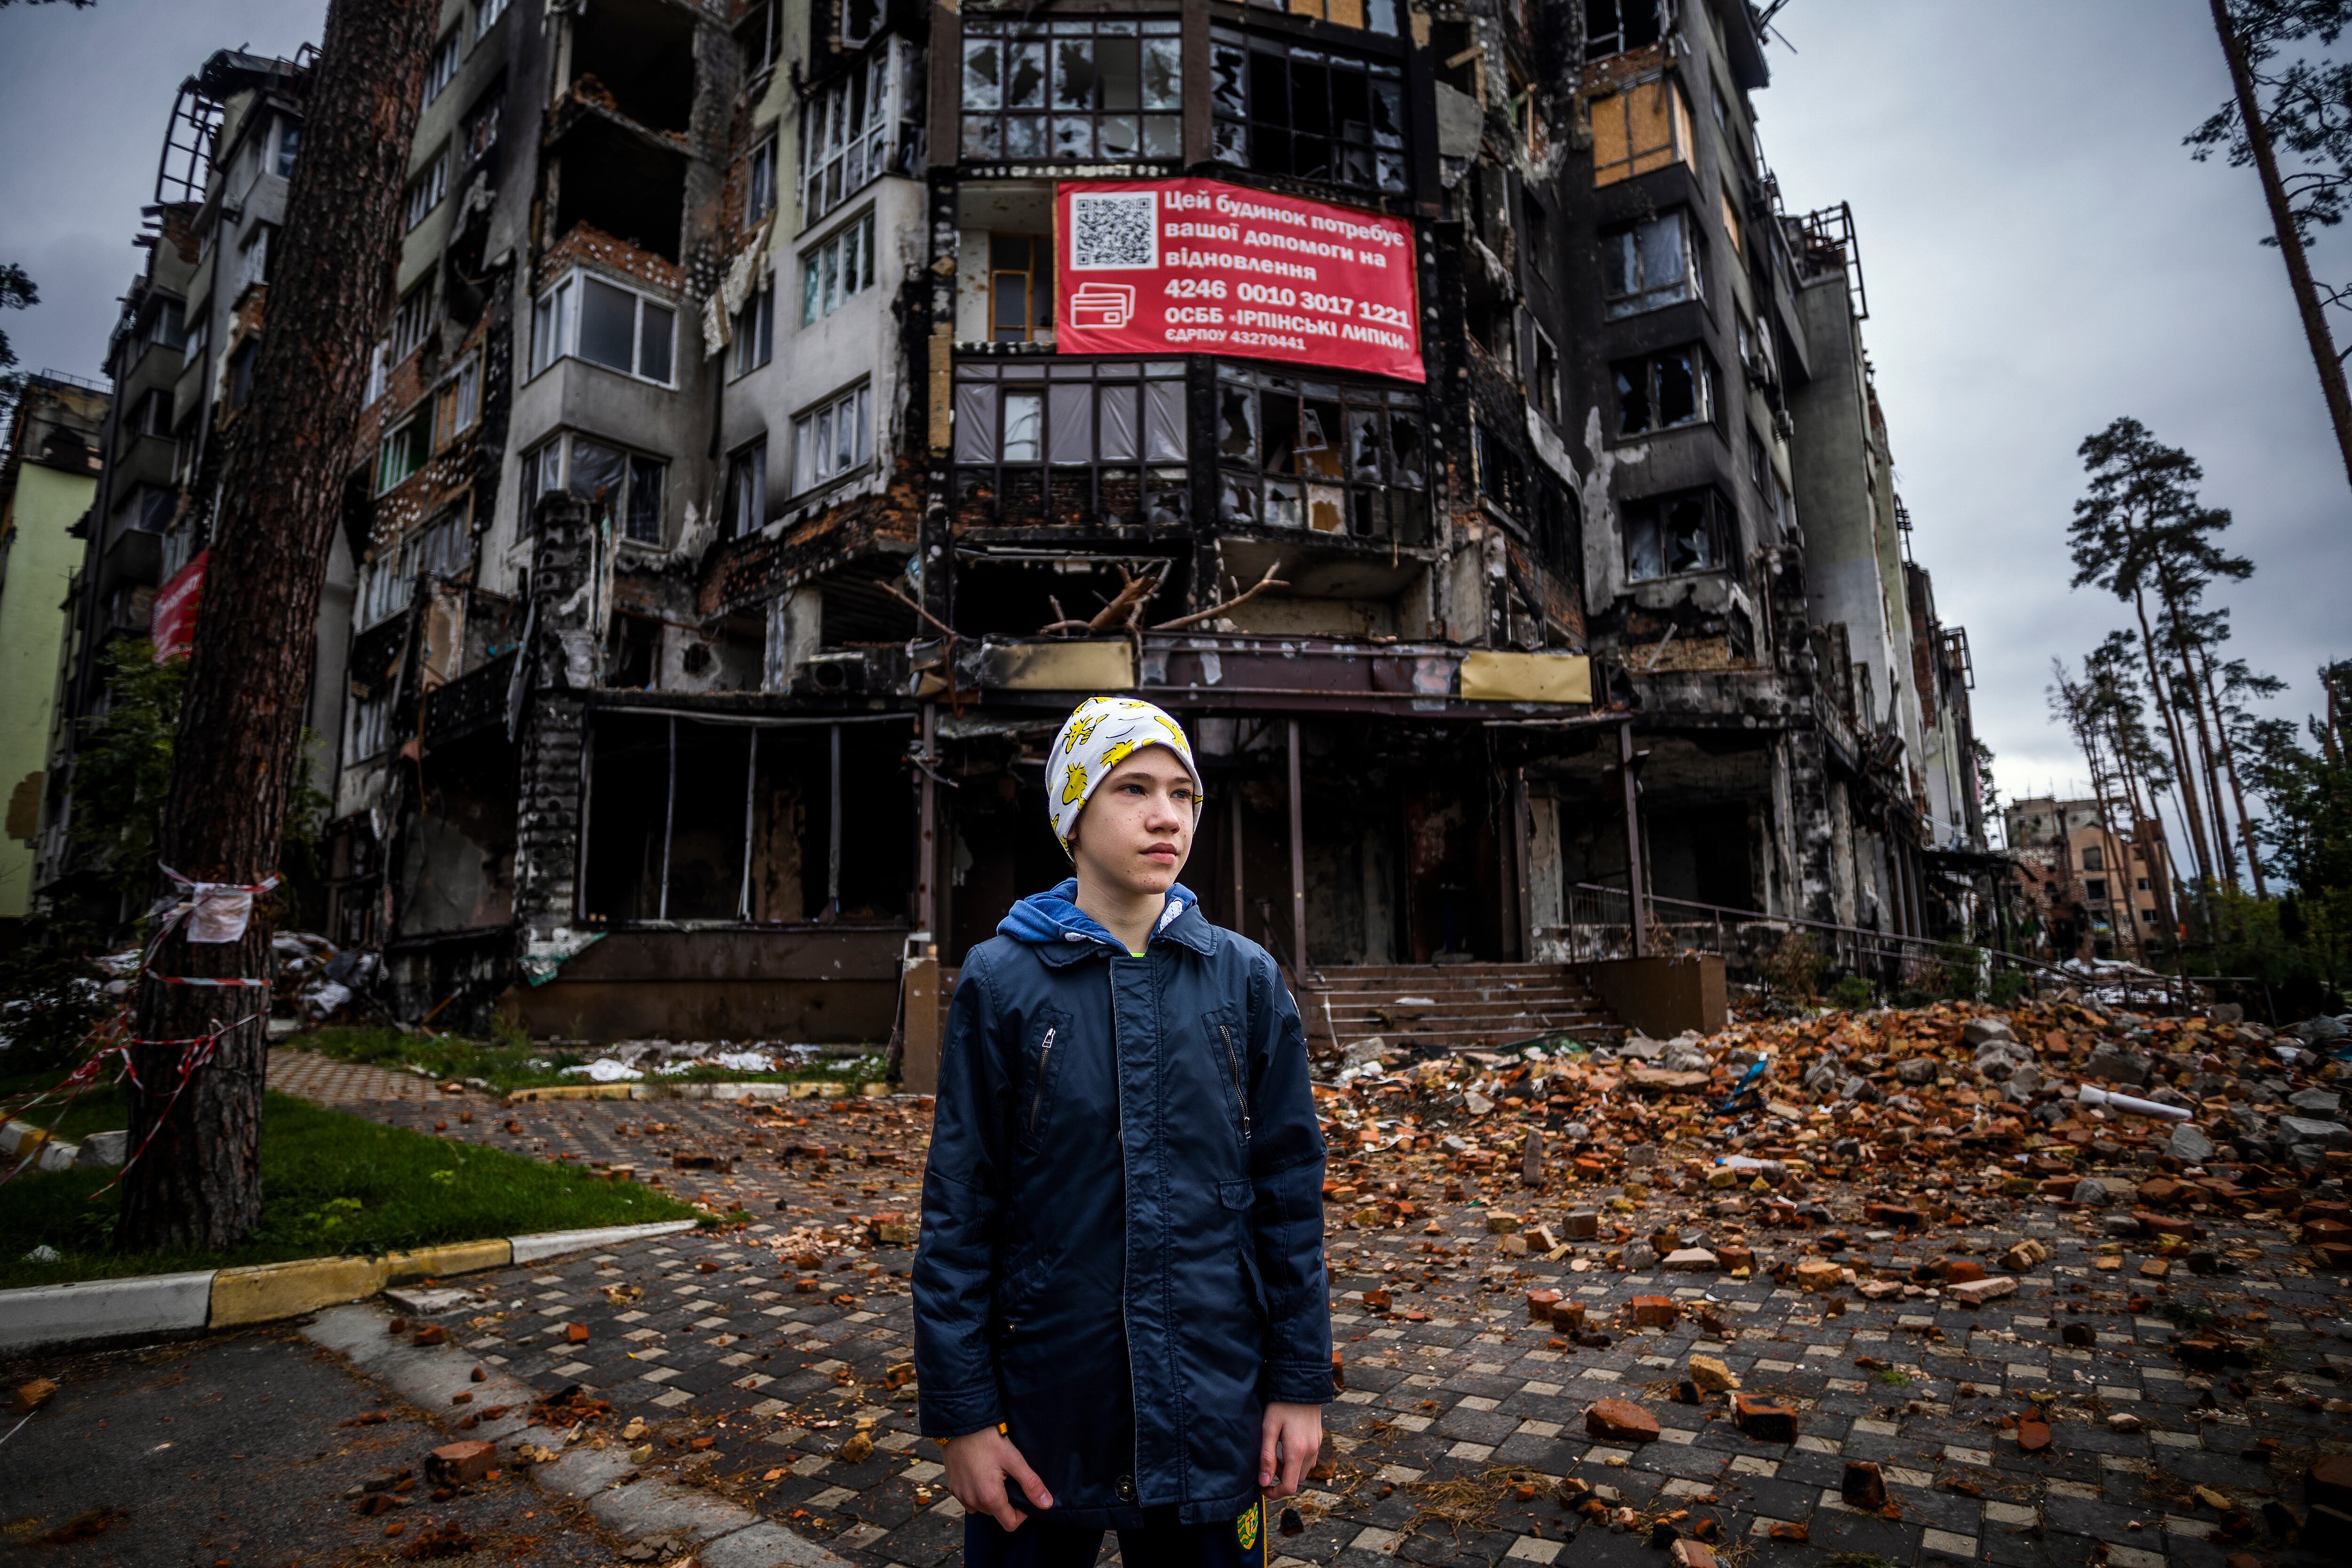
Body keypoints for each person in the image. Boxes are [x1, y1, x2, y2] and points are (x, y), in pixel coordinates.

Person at [913, 696, 1331, 1568]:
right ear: (1071, 813)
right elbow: (961, 1207)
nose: (1166, 815)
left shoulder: (1245, 980)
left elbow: (1289, 1197)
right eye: (1133, 788)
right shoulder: (1002, 981)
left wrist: (1299, 1385)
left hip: (1213, 1412)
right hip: (1041, 1415)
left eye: (1183, 793)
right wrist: (961, 1417)